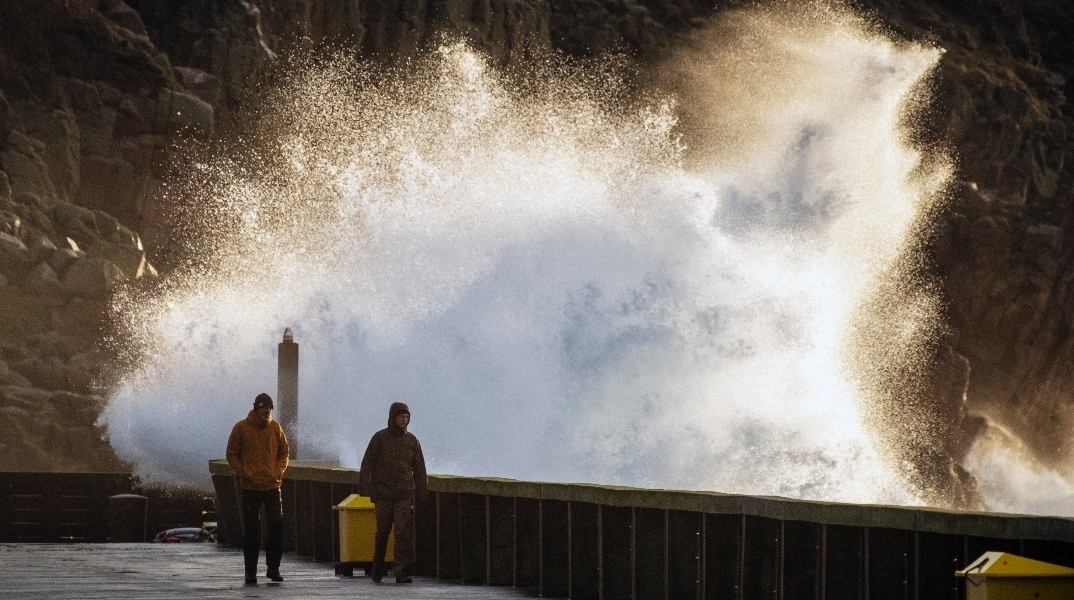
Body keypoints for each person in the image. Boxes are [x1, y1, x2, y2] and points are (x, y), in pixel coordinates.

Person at [358, 402, 428, 584]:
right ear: (393, 418)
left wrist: (422, 491)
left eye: (407, 417)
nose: (404, 420)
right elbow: (367, 463)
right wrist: (365, 487)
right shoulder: (380, 438)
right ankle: (377, 567)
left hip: (404, 493)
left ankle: (401, 572)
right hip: (383, 494)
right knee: (382, 532)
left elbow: (419, 469)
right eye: (401, 417)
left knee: (402, 533)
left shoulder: (412, 440)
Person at [227, 393, 290, 585]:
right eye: (264, 408)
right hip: (250, 486)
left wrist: (278, 471)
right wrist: (243, 472)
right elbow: (232, 454)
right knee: (252, 530)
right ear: (256, 408)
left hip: (272, 485)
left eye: (269, 408)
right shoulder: (241, 428)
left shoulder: (275, 428)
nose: (267, 411)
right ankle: (250, 572)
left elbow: (284, 452)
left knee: (276, 526)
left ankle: (273, 569)